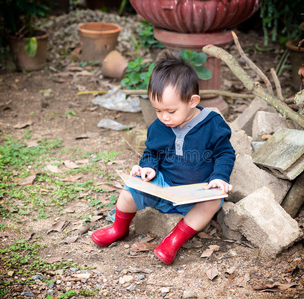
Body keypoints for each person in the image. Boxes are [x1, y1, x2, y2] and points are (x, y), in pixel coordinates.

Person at [91, 50, 236, 265]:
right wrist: (148, 168)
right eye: (158, 110)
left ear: (193, 101)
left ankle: (174, 240)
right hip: (163, 188)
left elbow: (225, 153)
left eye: (170, 111)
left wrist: (219, 177)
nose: (164, 117)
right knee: (130, 189)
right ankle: (118, 228)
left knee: (214, 200)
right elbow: (152, 152)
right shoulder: (159, 127)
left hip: (195, 193)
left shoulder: (212, 124)